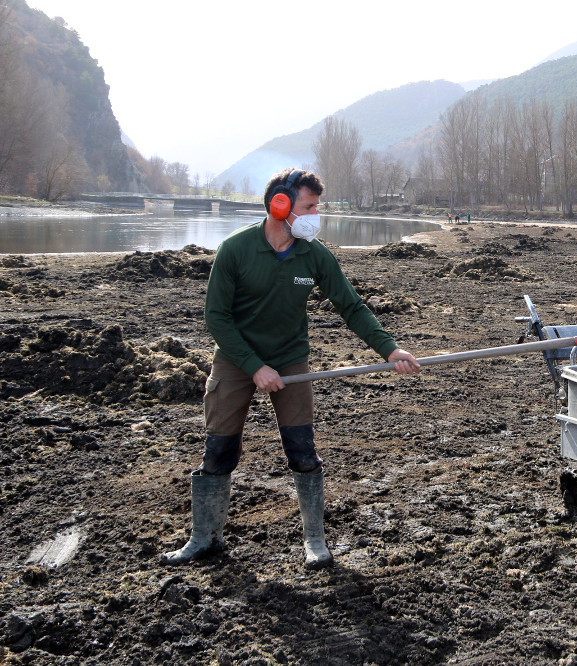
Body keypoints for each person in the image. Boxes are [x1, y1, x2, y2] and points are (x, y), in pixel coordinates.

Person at [163, 168, 420, 569]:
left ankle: (315, 540)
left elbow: (351, 307)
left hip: (289, 359)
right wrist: (253, 367)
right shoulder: (236, 249)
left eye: (318, 206)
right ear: (279, 204)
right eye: (310, 207)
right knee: (218, 451)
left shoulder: (313, 254)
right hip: (235, 359)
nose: (317, 215)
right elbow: (217, 318)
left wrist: (390, 349)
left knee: (302, 450)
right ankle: (204, 537)